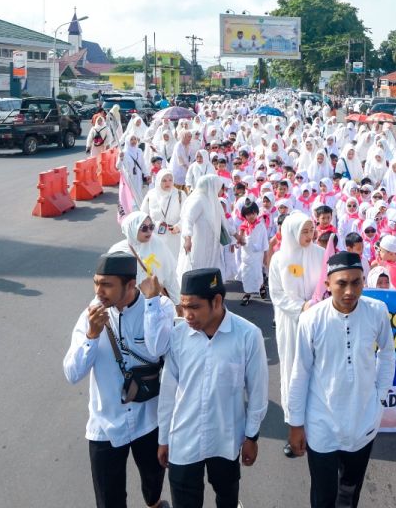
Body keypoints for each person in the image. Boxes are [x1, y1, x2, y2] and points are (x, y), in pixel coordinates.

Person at [142, 267, 269, 508]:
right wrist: (163, 438)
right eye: (183, 306)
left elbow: (258, 393)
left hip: (226, 439)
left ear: (217, 301)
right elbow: (168, 391)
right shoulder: (178, 336)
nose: (187, 314)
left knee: (226, 495)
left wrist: (251, 436)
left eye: (194, 307)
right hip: (184, 439)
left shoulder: (247, 336)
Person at [286, 252, 394, 508]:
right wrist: (296, 424)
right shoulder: (311, 319)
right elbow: (299, 372)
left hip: (363, 418)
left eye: (356, 282)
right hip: (322, 421)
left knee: (349, 492)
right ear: (328, 285)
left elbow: (388, 353)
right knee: (323, 496)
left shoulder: (377, 311)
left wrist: (380, 397)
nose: (349, 291)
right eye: (342, 283)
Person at [62, 252, 166, 508]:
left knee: (153, 481)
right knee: (109, 499)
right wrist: (91, 335)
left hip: (148, 419)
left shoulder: (155, 308)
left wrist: (154, 304)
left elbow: (161, 351)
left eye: (107, 284)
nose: (99, 291)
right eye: (96, 282)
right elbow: (72, 373)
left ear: (130, 285)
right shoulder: (90, 315)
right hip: (106, 424)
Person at [267, 213, 325, 456]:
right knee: (293, 370)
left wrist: (317, 305)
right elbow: (277, 295)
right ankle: (294, 426)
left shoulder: (320, 254)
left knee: (318, 369)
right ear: (291, 232)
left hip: (318, 320)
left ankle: (317, 426)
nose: (309, 235)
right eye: (304, 231)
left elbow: (327, 284)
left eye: (311, 230)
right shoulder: (279, 259)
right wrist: (300, 308)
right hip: (291, 323)